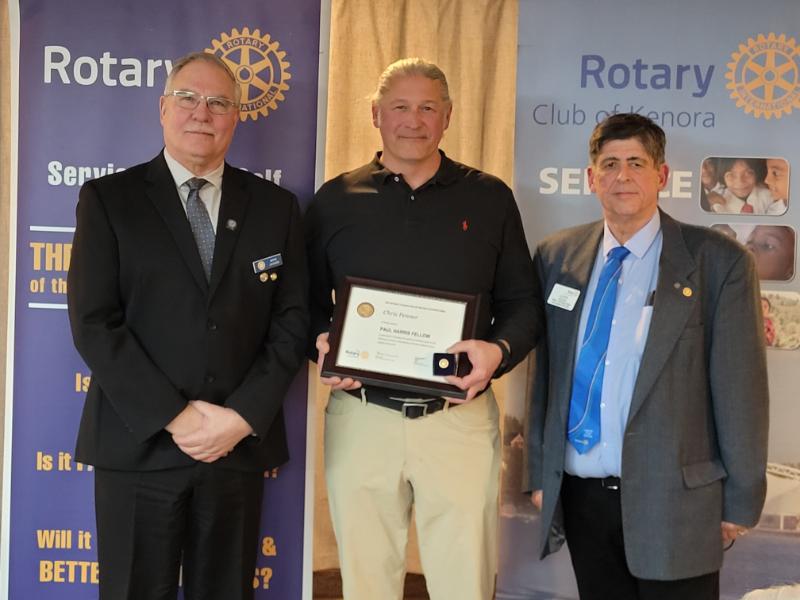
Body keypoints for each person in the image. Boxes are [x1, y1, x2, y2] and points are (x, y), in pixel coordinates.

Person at [67, 52, 308, 599]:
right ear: (163, 109)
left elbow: (292, 322)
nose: (202, 113)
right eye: (188, 99)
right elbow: (93, 322)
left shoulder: (276, 207)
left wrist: (240, 418)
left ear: (236, 116)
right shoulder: (109, 200)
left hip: (234, 448)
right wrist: (175, 417)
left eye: (219, 102)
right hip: (139, 446)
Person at [305, 57, 540, 600]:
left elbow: (523, 303)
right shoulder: (334, 200)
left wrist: (497, 352)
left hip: (458, 420)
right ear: (375, 115)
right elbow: (302, 304)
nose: (414, 120)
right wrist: (320, 344)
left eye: (428, 108)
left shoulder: (489, 198)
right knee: (366, 583)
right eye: (400, 107)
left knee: (465, 584)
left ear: (448, 116)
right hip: (362, 416)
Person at [527, 113, 769, 600]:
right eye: (610, 164)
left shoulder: (718, 261)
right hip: (582, 496)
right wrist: (540, 471)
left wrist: (740, 501)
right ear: (592, 177)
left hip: (676, 501)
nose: (623, 176)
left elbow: (740, 391)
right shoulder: (557, 256)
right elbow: (545, 376)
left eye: (636, 163)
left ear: (661, 175)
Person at [708, 158, 785, 215]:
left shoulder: (769, 197)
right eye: (731, 175)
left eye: (748, 173)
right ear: (722, 177)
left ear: (756, 175)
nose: (740, 182)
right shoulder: (716, 204)